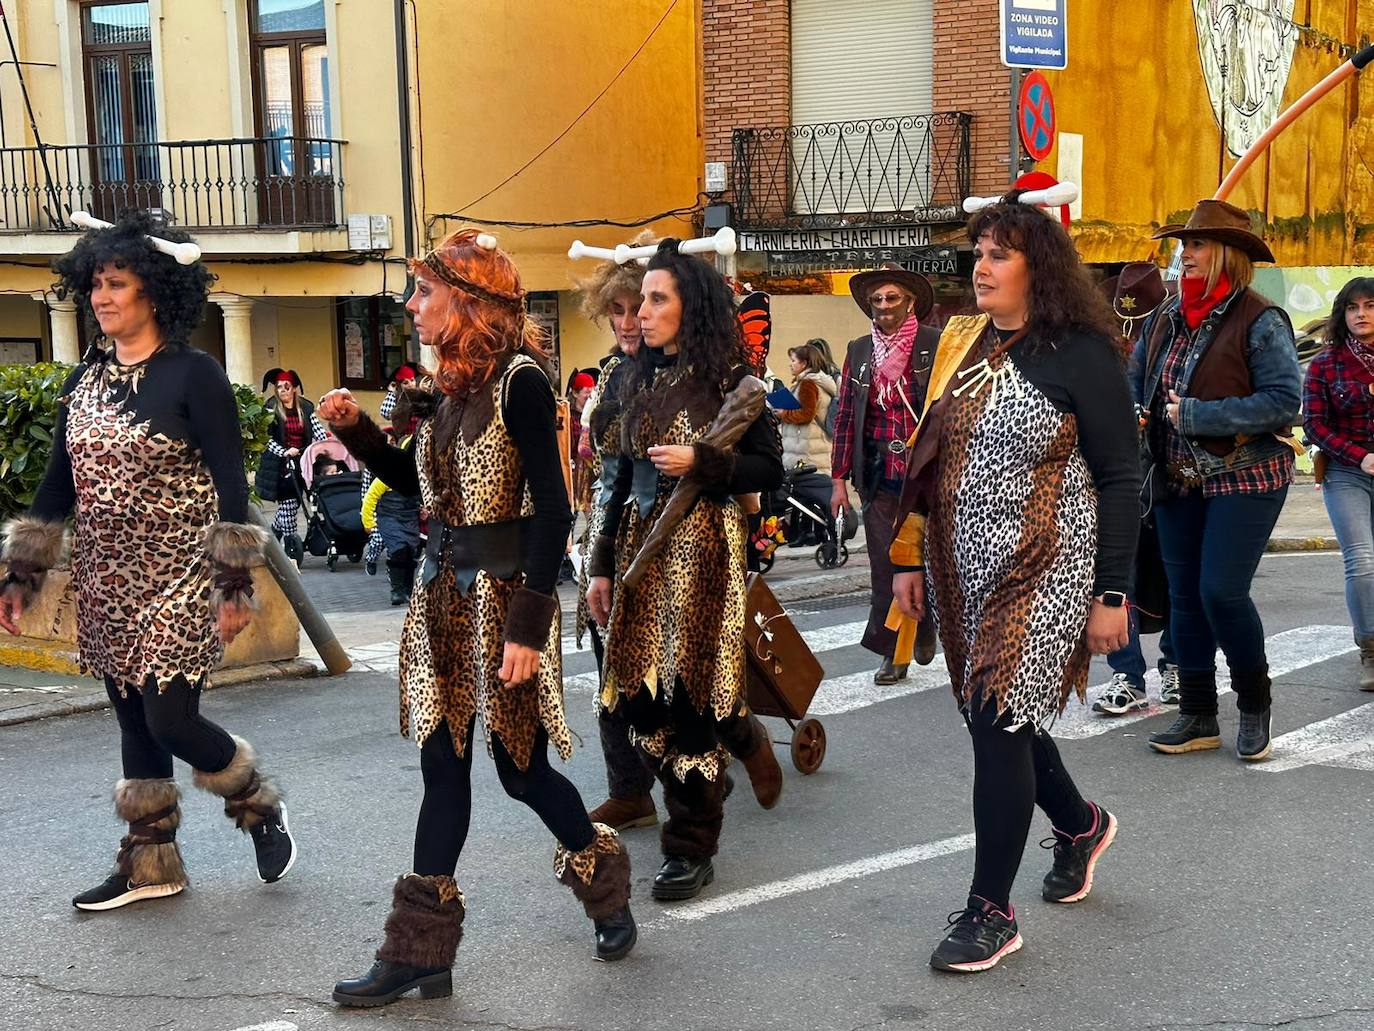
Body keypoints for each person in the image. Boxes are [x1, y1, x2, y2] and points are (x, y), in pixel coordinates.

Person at [324, 229, 636, 1009]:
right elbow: (418, 483)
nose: (411, 305)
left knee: (521, 769)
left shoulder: (522, 382)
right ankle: (419, 951)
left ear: (467, 297)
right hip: (440, 598)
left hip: (505, 601)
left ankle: (606, 886)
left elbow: (555, 509)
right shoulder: (456, 388)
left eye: (423, 291)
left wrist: (531, 628)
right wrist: (357, 432)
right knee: (442, 765)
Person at [0, 212, 295, 911]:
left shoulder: (195, 375)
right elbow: (55, 486)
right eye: (96, 284)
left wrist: (233, 588)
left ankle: (259, 802)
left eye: (117, 284)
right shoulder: (84, 381)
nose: (102, 298)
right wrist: (20, 576)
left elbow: (231, 488)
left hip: (182, 577)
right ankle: (151, 861)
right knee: (134, 722)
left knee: (169, 720)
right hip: (106, 580)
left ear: (155, 291)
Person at [890, 192, 1138, 973]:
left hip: (1048, 566)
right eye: (978, 253)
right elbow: (928, 460)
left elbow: (1122, 476)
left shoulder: (1083, 353)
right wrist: (909, 551)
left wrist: (1111, 592)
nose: (982, 266)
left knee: (999, 719)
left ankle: (990, 911)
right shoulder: (961, 346)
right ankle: (1079, 823)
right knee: (998, 716)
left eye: (1000, 253)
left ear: (1041, 266)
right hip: (963, 571)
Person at [585, 239, 784, 901]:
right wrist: (601, 568)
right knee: (639, 702)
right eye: (640, 300)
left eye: (656, 298)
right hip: (641, 554)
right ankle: (744, 734)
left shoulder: (727, 376)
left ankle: (691, 846)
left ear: (688, 305)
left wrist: (704, 462)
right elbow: (613, 484)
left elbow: (767, 470)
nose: (641, 311)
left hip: (704, 554)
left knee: (692, 700)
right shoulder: (631, 377)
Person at [1134, 200, 1302, 761]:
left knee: (1220, 592)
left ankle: (1254, 704)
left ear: (1227, 255)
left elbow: (1284, 402)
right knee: (1184, 599)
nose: (1187, 255)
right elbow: (1137, 381)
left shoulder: (1261, 319)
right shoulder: (1164, 315)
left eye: (1199, 245)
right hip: (1176, 477)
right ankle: (1199, 715)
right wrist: (1132, 411)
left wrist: (1202, 416)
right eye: (1185, 245)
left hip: (1246, 474)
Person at [830, 264, 941, 684]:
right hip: (878, 476)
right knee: (884, 567)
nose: (883, 306)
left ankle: (927, 625)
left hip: (928, 475)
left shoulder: (935, 343)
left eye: (892, 298)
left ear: (910, 302)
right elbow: (843, 419)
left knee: (930, 561)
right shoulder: (858, 351)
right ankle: (894, 651)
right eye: (876, 300)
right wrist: (838, 481)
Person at [1092, 263, 1181, 715]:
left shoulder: (1177, 334)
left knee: (1174, 574)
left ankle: (1176, 664)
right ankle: (1127, 675)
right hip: (1116, 477)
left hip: (1172, 473)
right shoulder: (1097, 347)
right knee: (1117, 575)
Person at [1303, 275, 1374, 689]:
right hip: (1348, 471)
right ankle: (1370, 649)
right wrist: (1361, 458)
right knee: (1363, 559)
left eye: (1368, 306)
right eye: (1353, 307)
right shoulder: (1326, 363)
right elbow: (1313, 425)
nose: (1361, 314)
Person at [364, 363, 430, 575]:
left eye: (411, 380)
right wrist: (394, 393)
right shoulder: (396, 400)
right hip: (403, 449)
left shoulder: (422, 398)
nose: (409, 384)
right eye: (405, 382)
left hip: (419, 447)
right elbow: (385, 411)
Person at [254, 368, 327, 559]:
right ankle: (291, 542)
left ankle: (274, 532)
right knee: (289, 503)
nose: (282, 391)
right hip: (280, 464)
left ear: (294, 388)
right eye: (279, 388)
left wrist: (325, 446)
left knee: (296, 503)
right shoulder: (270, 409)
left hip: (303, 460)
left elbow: (317, 432)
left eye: (286, 387)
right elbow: (266, 439)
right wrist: (284, 451)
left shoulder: (306, 408)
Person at [360, 394, 423, 607]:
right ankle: (397, 590)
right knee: (397, 550)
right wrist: (368, 522)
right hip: (390, 518)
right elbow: (370, 498)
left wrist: (426, 507)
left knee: (410, 553)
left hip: (410, 517)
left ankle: (408, 588)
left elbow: (423, 493)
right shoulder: (387, 478)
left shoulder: (417, 475)